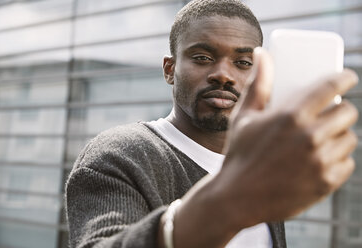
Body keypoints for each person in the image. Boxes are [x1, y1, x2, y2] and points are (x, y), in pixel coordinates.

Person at [65, 0, 359, 247]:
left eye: (243, 62)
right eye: (203, 57)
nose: (223, 75)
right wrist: (229, 200)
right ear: (170, 69)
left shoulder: (263, 160)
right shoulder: (120, 154)